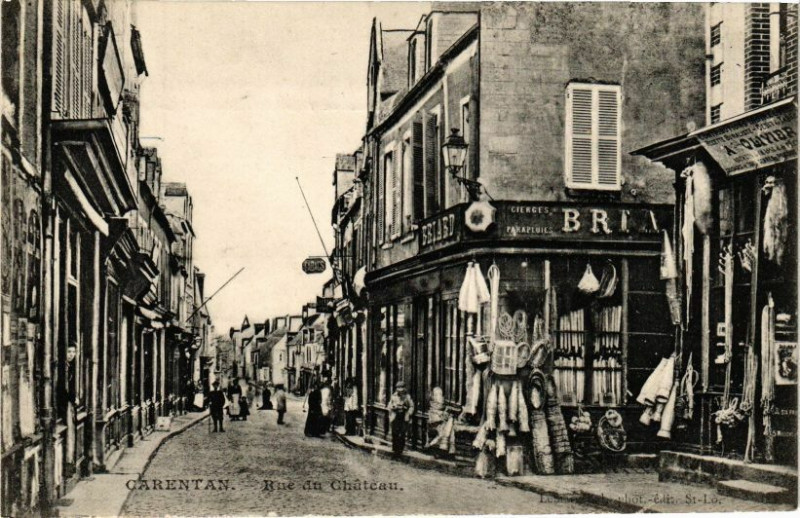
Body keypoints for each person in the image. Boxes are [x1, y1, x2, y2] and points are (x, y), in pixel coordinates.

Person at [389, 381, 415, 459]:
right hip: (395, 416)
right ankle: (395, 450)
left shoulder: (407, 397)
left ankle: (399, 451)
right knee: (395, 433)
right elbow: (389, 405)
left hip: (403, 417)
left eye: (401, 388)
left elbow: (411, 406)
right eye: (398, 388)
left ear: (404, 388)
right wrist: (393, 407)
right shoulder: (393, 396)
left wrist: (408, 412)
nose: (400, 390)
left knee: (402, 434)